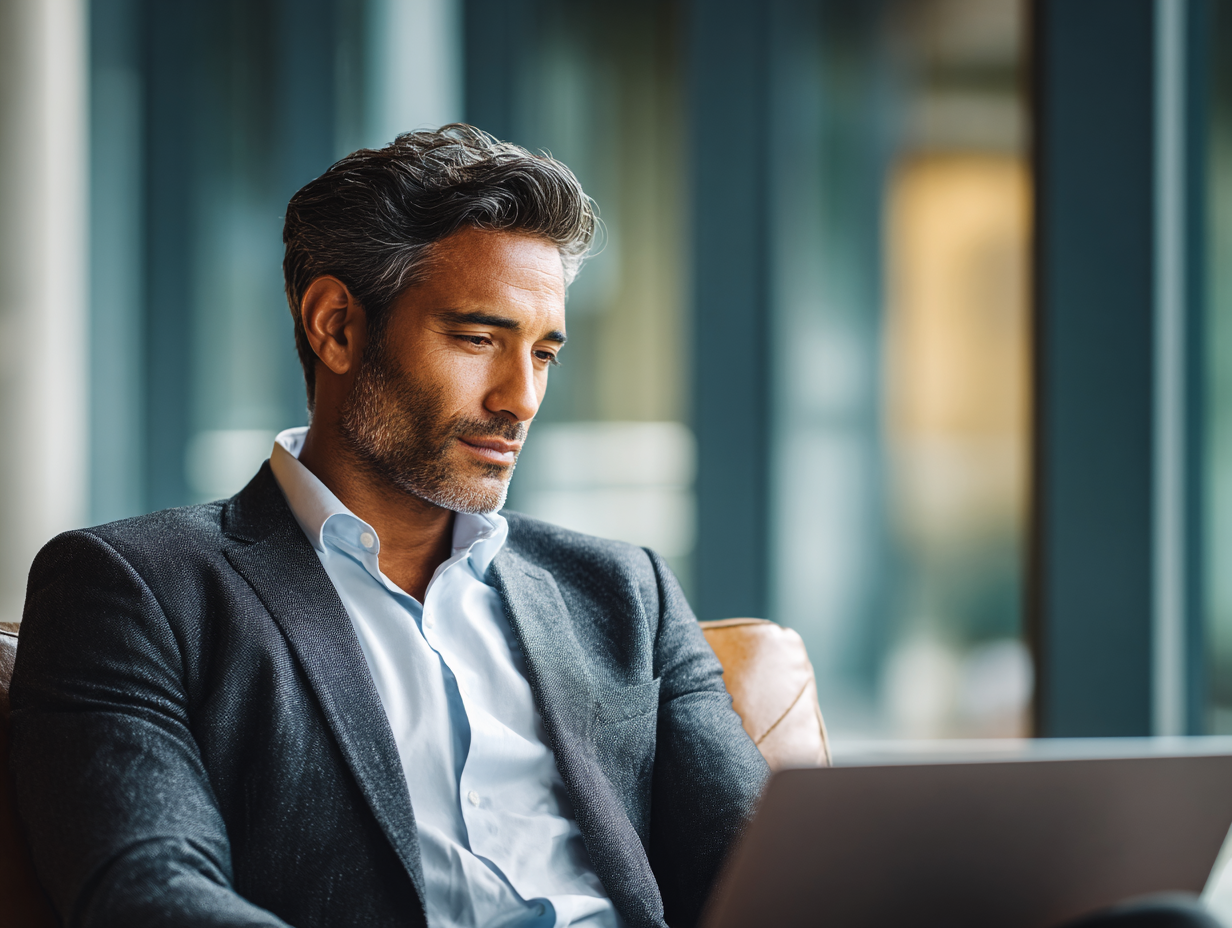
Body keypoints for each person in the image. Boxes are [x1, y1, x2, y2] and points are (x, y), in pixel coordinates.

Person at [7, 125, 1224, 928]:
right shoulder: (139, 586)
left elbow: (754, 880)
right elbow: (148, 895)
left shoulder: (616, 594)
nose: (519, 399)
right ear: (335, 328)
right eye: (477, 338)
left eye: (543, 352)